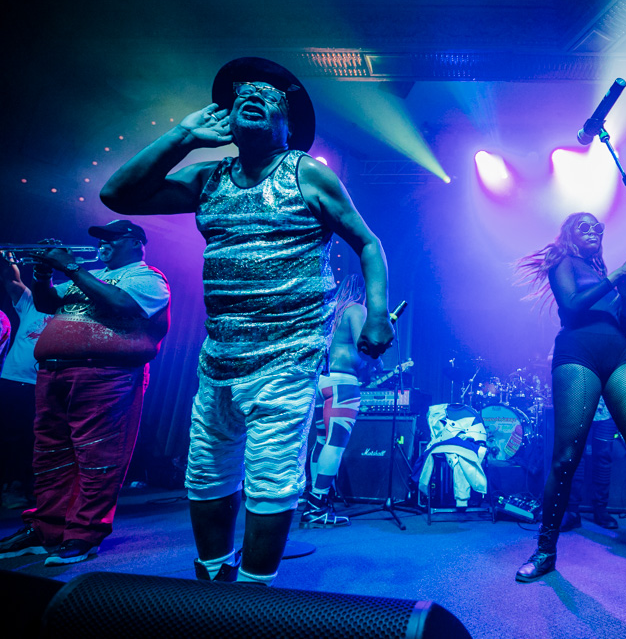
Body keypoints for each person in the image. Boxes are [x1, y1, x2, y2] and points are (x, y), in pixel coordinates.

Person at [99, 57, 393, 586]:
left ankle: (256, 593)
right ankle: (214, 579)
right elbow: (117, 195)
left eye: (269, 96)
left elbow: (368, 242)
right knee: (206, 473)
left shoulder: (306, 172)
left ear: (288, 125)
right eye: (242, 95)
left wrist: (376, 314)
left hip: (288, 351)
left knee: (271, 475)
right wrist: (183, 136)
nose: (253, 96)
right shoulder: (207, 176)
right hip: (219, 357)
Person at [514, 212, 626, 597]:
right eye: (585, 226)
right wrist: (616, 280)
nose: (594, 231)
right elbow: (573, 307)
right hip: (577, 353)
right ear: (569, 234)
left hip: (618, 355)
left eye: (599, 228)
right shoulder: (564, 263)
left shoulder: (603, 273)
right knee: (565, 458)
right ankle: (545, 551)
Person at [0, 220, 170, 565]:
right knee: (49, 457)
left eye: (111, 238)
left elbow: (122, 305)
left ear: (136, 242)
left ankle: (83, 535)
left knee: (98, 458)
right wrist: (44, 276)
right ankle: (46, 530)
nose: (103, 244)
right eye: (100, 239)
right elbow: (47, 305)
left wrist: (71, 266)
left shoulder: (147, 277)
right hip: (54, 371)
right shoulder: (89, 275)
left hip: (106, 374)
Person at [301, 274, 369, 528]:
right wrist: (377, 359)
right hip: (343, 384)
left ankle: (314, 501)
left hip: (322, 382)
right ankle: (318, 506)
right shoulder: (356, 309)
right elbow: (363, 345)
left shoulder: (331, 313)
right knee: (335, 444)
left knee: (320, 441)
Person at [0, 257, 54, 510]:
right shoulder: (31, 301)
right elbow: (12, 280)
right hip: (12, 381)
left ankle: (25, 488)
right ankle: (10, 486)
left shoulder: (72, 310)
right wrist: (7, 260)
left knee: (33, 442)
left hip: (45, 384)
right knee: (7, 438)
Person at [559, 397, 619, 531]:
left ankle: (601, 510)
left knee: (604, 459)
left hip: (606, 410)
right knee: (575, 458)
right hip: (578, 408)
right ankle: (572, 511)